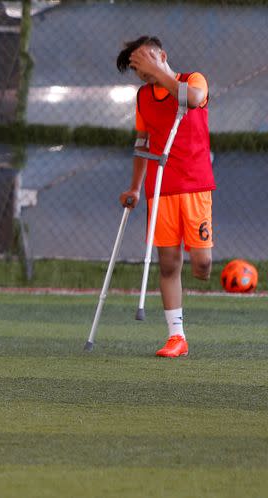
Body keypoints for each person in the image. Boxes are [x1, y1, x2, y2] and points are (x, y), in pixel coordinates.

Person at [116, 36, 216, 357]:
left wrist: (160, 73)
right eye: (138, 69)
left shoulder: (192, 80)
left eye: (146, 62)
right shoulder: (143, 98)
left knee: (202, 265)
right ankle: (177, 336)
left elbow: (195, 98)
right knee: (169, 263)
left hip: (196, 185)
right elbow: (142, 145)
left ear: (162, 55)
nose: (143, 73)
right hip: (160, 188)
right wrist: (134, 187)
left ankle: (201, 261)